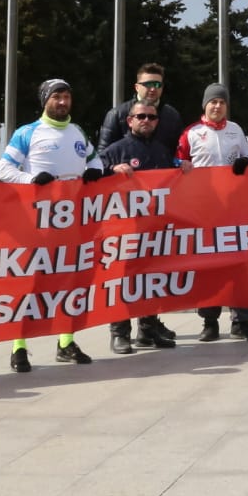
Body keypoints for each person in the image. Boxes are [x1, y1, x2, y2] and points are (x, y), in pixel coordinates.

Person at [0, 78, 108, 371]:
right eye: (56, 97)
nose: (62, 102)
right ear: (45, 100)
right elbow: (4, 169)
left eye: (66, 97)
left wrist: (94, 172)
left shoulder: (77, 131)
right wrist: (31, 179)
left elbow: (94, 160)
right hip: (37, 224)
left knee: (69, 280)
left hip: (72, 223)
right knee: (31, 284)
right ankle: (19, 347)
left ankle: (65, 342)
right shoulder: (27, 132)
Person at [98, 100, 181, 354]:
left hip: (154, 230)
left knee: (151, 280)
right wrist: (111, 170)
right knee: (121, 281)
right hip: (122, 232)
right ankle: (120, 334)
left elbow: (173, 184)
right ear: (130, 121)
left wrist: (184, 168)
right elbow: (91, 178)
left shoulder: (161, 151)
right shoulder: (114, 150)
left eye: (152, 117)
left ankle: (147, 330)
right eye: (141, 116)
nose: (147, 120)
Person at [178, 84, 248, 342]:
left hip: (235, 209)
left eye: (221, 103)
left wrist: (246, 161)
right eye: (212, 102)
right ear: (205, 105)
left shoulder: (235, 130)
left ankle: (241, 321)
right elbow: (176, 164)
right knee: (209, 268)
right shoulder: (192, 133)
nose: (217, 106)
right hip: (205, 211)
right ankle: (209, 322)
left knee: (239, 265)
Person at [96, 62, 184, 161]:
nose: (152, 89)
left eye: (157, 84)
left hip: (162, 174)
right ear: (137, 87)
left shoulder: (172, 116)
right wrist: (114, 167)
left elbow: (179, 153)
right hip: (127, 174)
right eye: (148, 84)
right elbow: (102, 156)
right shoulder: (117, 114)